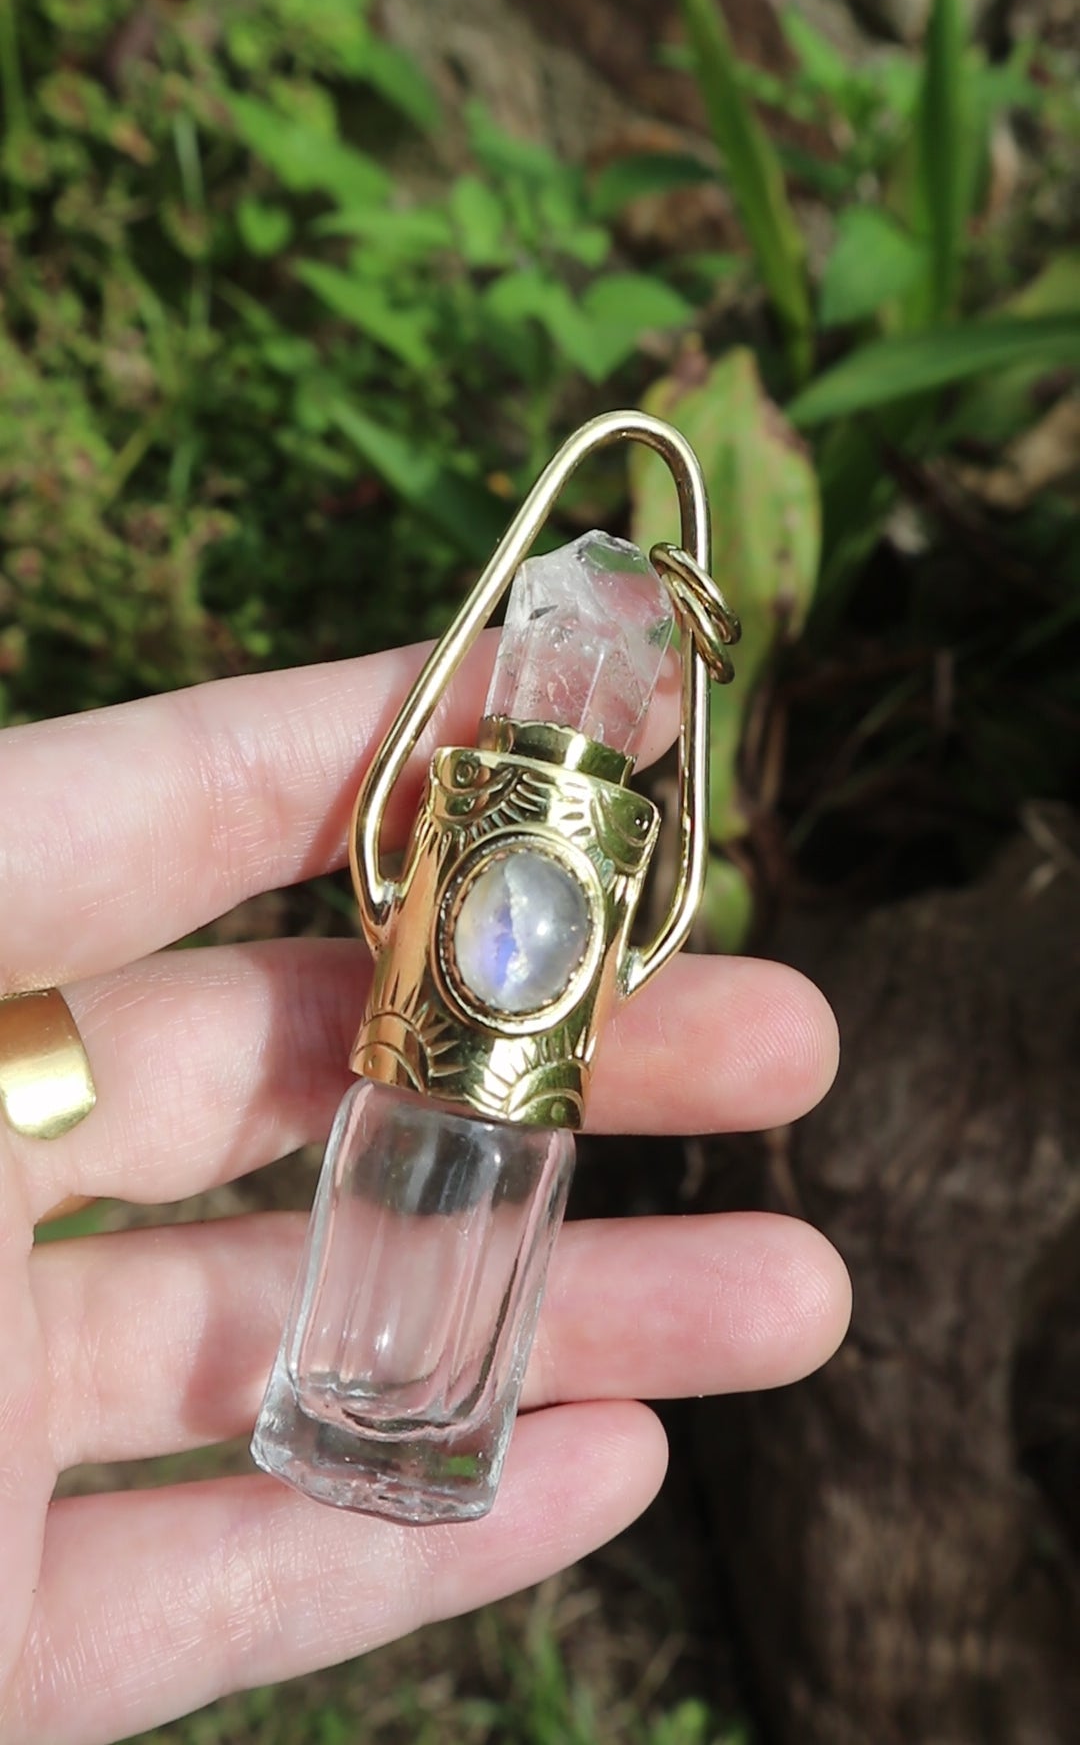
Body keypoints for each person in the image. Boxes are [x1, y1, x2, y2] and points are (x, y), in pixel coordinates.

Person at [0, 642, 850, 1744]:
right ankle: (351, 1432)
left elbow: (640, 908)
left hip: (496, 1090)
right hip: (418, 1066)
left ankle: (411, 1445)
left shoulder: (580, 885)